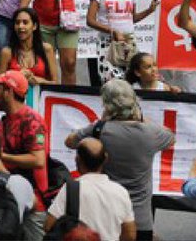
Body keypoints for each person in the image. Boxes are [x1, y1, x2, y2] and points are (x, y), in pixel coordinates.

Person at [64, 80, 174, 240]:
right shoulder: (151, 132)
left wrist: (101, 121)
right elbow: (171, 138)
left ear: (107, 105)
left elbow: (70, 141)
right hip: (140, 220)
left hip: (107, 216)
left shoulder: (99, 129)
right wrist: (144, 120)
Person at [0, 69, 48, 239]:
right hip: (10, 202)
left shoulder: (31, 120)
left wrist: (0, 156)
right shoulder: (5, 121)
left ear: (9, 92)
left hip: (33, 205)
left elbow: (38, 160)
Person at [45, 138, 137, 241]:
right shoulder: (121, 192)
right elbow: (130, 235)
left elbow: (49, 225)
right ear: (105, 159)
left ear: (77, 160)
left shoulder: (71, 188)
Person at [86, 0, 159, 82]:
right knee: (110, 79)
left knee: (131, 77)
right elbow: (90, 20)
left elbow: (132, 18)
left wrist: (149, 10)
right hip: (108, 41)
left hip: (128, 41)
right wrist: (112, 31)